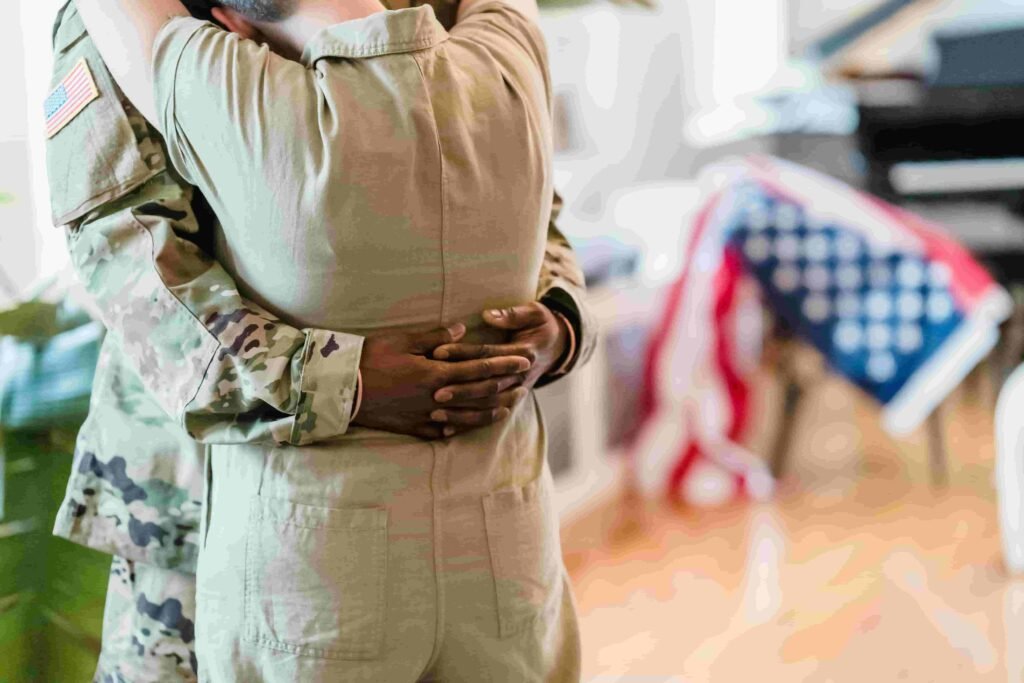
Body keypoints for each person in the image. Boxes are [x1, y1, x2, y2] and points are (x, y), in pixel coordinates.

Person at [48, 0, 593, 679]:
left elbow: (523, 179)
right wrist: (331, 381)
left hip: (461, 505)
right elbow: (131, 263)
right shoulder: (118, 22)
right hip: (202, 473)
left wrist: (557, 317)